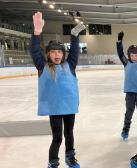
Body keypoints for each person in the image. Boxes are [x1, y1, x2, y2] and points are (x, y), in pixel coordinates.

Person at [30, 12, 85, 168]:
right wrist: (37, 31)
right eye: (53, 51)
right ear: (48, 54)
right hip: (54, 108)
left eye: (59, 51)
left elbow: (74, 51)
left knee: (69, 134)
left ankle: (70, 157)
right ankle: (53, 160)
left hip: (68, 107)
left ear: (63, 53)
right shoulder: (43, 66)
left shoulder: (70, 65)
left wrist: (74, 35)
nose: (57, 54)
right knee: (57, 137)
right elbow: (34, 51)